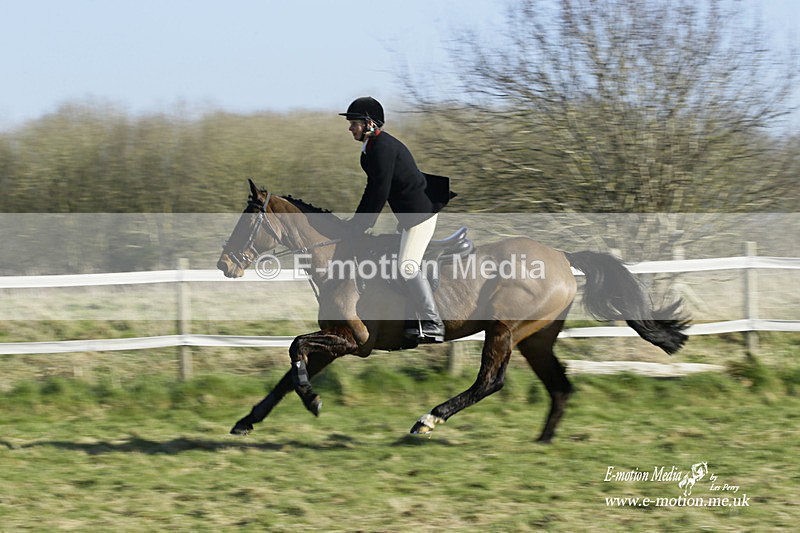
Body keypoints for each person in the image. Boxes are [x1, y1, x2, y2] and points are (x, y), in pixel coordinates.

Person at [339, 96, 445, 343]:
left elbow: (380, 192)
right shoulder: (372, 149)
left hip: (421, 215)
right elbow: (371, 190)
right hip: (409, 216)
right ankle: (409, 318)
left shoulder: (382, 148)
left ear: (368, 124)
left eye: (353, 123)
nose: (349, 128)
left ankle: (433, 322)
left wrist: (361, 226)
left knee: (407, 265)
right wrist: (356, 223)